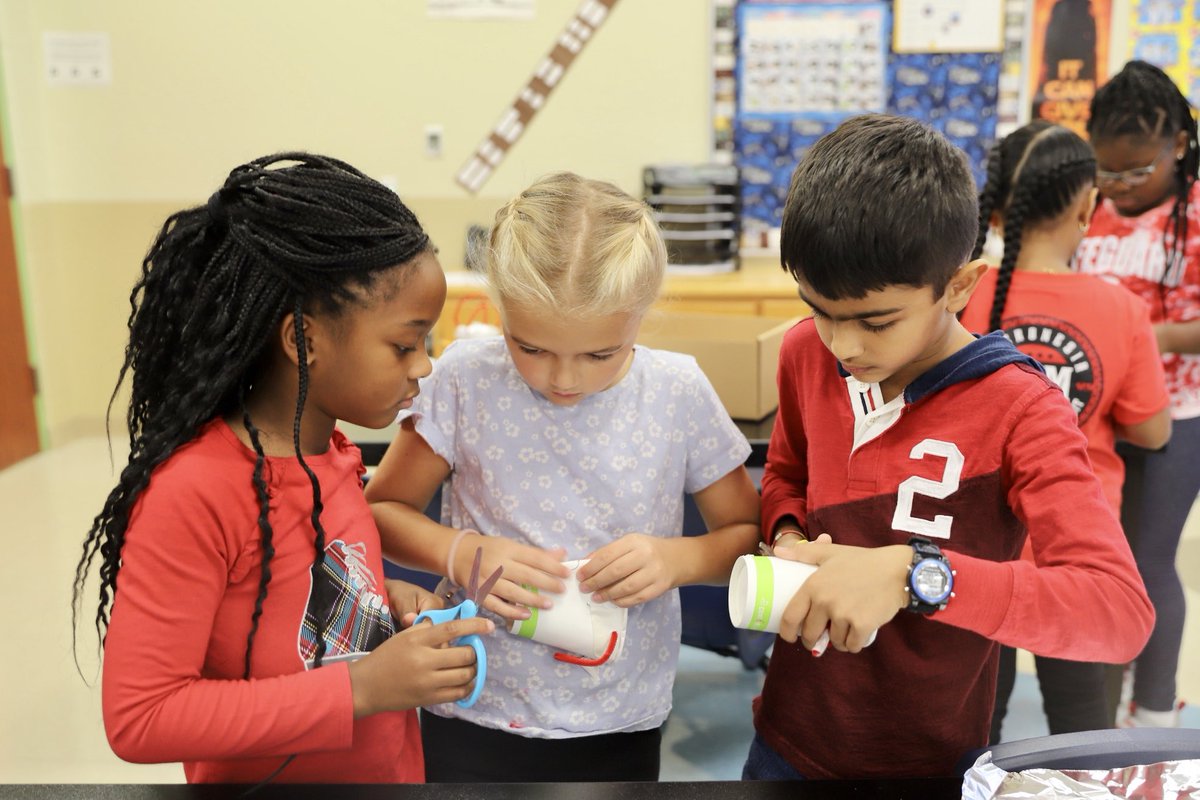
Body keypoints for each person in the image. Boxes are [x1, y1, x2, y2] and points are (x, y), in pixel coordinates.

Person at [746, 114, 1154, 780]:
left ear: (959, 286)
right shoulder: (803, 353)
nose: (842, 345)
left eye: (876, 321)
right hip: (788, 737)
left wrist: (915, 575)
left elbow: (1116, 611)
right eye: (818, 307)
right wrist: (789, 537)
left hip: (929, 758)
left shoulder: (1021, 408)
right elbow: (787, 475)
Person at [71, 153, 493, 784]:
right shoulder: (196, 492)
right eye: (405, 345)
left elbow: (299, 608)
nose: (423, 366)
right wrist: (359, 688)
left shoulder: (334, 456)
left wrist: (380, 610)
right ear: (302, 340)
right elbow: (141, 715)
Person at [365, 172, 761, 782]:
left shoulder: (677, 390)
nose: (564, 380)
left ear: (640, 315)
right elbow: (384, 510)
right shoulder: (465, 379)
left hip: (620, 710)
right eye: (530, 347)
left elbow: (741, 532)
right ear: (498, 307)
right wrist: (461, 549)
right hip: (473, 699)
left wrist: (676, 561)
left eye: (601, 354)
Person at [959, 120, 1171, 741]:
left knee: (975, 737)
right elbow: (1152, 432)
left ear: (994, 210)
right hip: (1076, 559)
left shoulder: (959, 297)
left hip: (975, 561)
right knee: (1084, 740)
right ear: (1088, 206)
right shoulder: (1121, 310)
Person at [1076, 60, 1200, 727]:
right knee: (1102, 564)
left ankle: (1154, 717)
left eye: (1137, 171)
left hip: (1178, 415)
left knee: (1149, 562)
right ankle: (1099, 707)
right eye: (1107, 172)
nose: (1120, 188)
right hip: (1097, 416)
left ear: (1179, 146)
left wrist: (1136, 336)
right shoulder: (1091, 209)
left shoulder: (1196, 213)